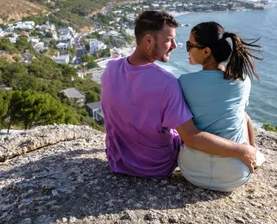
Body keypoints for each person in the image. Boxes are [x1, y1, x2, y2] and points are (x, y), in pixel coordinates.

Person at [101, 10, 257, 179]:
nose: (175, 45)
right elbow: (191, 137)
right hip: (156, 167)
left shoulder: (110, 68)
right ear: (148, 40)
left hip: (118, 161)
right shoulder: (167, 83)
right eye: (169, 40)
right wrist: (245, 150)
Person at [178, 21, 263, 192]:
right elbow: (243, 117)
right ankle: (254, 154)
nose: (187, 49)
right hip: (236, 175)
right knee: (242, 114)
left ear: (206, 51)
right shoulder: (243, 81)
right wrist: (250, 149)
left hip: (192, 171)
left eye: (189, 45)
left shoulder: (183, 82)